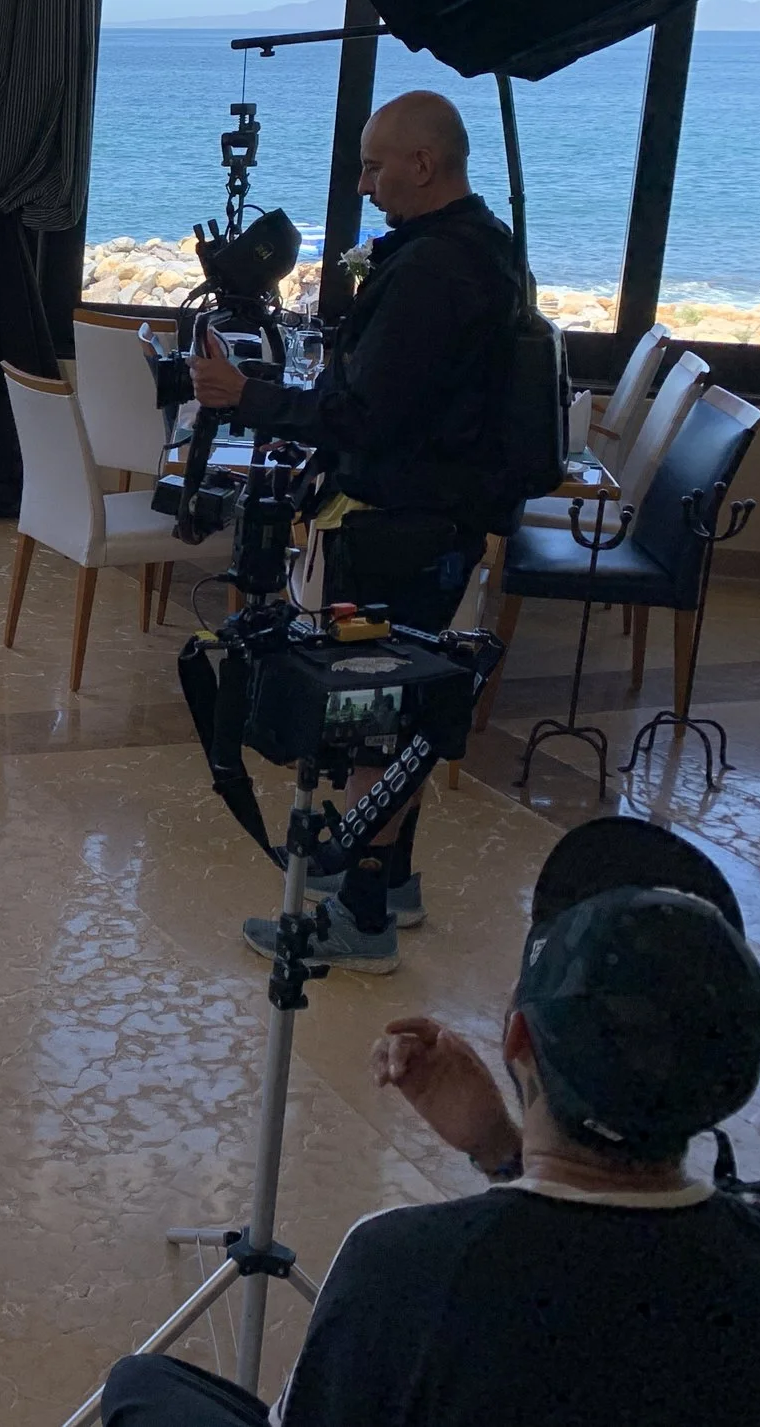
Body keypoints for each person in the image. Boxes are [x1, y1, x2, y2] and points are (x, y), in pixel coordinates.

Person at [100, 816, 760, 1427]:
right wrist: (503, 1151)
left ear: (519, 1042)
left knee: (139, 1386)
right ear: (732, 1078)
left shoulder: (402, 1267)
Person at [190, 90, 523, 972]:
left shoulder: (433, 272)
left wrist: (245, 398)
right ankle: (395, 882)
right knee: (401, 705)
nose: (366, 185)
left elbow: (364, 410)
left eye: (376, 166)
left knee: (373, 719)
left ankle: (363, 916)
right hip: (432, 519)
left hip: (400, 525)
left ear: (424, 163)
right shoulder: (483, 250)